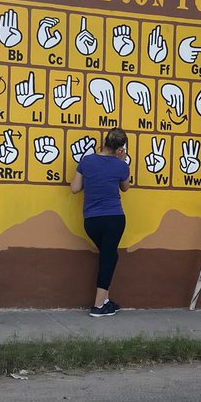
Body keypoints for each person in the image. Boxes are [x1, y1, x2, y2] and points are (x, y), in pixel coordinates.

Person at [70, 128, 131, 316]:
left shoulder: (87, 161)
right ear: (120, 148)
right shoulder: (122, 166)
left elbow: (74, 188)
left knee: (110, 256)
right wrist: (122, 163)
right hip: (114, 218)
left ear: (105, 142)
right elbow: (125, 188)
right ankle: (98, 306)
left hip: (91, 220)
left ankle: (105, 300)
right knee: (108, 257)